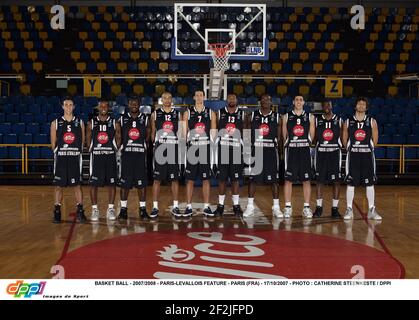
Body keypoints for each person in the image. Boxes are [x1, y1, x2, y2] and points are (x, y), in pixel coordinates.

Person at [244, 94, 283, 218]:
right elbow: (246, 134)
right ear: (259, 101)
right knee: (252, 179)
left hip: (271, 151)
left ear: (271, 102)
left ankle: (276, 207)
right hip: (256, 150)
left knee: (274, 181)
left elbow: (280, 137)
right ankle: (250, 206)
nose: (265, 101)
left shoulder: (277, 117)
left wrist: (280, 151)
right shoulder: (252, 116)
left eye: (268, 99)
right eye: (263, 99)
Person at [342, 97, 381, 220]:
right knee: (351, 183)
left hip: (367, 156)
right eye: (359, 104)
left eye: (363, 104)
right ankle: (349, 209)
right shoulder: (348, 121)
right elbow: (344, 139)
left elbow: (375, 140)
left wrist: (366, 146)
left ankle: (371, 209)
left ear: (366, 107)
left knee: (370, 183)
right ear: (355, 106)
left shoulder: (372, 121)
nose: (361, 106)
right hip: (353, 155)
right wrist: (349, 146)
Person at [50, 97, 86, 223]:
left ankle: (80, 210)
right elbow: (53, 143)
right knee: (58, 186)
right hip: (61, 159)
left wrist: (76, 151)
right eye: (66, 105)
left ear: (74, 107)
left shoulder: (80, 122)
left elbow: (82, 141)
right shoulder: (55, 122)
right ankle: (57, 211)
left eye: (71, 105)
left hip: (74, 158)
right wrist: (60, 152)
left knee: (77, 185)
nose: (68, 107)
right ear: (62, 107)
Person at [183, 90, 217, 217]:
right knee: (190, 179)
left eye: (200, 95)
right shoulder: (187, 113)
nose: (198, 97)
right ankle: (188, 206)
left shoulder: (211, 113)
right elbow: (183, 133)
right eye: (196, 95)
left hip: (205, 148)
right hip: (192, 149)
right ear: (193, 97)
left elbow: (213, 133)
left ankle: (206, 206)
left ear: (204, 97)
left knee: (206, 179)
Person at [86, 99, 120, 221]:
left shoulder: (114, 122)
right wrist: (91, 149)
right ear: (98, 108)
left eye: (106, 106)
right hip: (96, 157)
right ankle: (95, 209)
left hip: (110, 156)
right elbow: (88, 137)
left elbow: (118, 137)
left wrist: (114, 148)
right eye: (101, 106)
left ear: (109, 107)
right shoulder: (92, 123)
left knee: (112, 183)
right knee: (93, 184)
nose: (104, 108)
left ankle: (110, 208)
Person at [282, 95, 315, 218]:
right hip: (291, 151)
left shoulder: (310, 117)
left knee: (306, 180)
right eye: (296, 100)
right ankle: (288, 207)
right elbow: (284, 136)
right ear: (293, 102)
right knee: (288, 179)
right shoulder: (286, 116)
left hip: (304, 151)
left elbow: (311, 135)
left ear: (304, 102)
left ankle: (306, 207)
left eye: (301, 100)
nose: (299, 102)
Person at [117, 96, 149, 220]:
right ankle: (123, 210)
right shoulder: (122, 119)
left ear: (140, 104)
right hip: (127, 156)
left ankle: (142, 210)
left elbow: (147, 136)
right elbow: (118, 136)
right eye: (131, 103)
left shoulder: (145, 119)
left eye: (136, 103)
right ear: (128, 105)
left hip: (140, 155)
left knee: (142, 184)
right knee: (125, 185)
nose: (134, 105)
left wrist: (141, 146)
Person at [151, 92, 181, 218]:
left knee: (175, 179)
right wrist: (154, 144)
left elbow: (180, 132)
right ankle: (155, 207)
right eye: (165, 98)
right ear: (161, 100)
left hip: (173, 148)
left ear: (172, 100)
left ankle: (175, 206)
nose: (167, 100)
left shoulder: (177, 113)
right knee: (157, 179)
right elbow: (153, 132)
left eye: (169, 97)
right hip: (160, 148)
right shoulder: (155, 113)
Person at [214, 93, 244, 217]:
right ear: (226, 100)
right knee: (222, 179)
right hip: (223, 150)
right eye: (229, 98)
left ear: (236, 100)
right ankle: (220, 206)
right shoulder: (219, 113)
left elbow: (246, 131)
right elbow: (214, 131)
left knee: (235, 180)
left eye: (234, 98)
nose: (232, 99)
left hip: (236, 150)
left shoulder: (242, 114)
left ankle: (236, 206)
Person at [313, 100, 342, 218]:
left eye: (328, 105)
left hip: (334, 153)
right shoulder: (317, 120)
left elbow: (342, 136)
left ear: (332, 106)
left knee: (336, 181)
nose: (326, 107)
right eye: (324, 105)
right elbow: (314, 137)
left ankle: (335, 208)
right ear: (322, 106)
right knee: (319, 181)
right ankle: (319, 208)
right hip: (321, 153)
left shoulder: (339, 120)